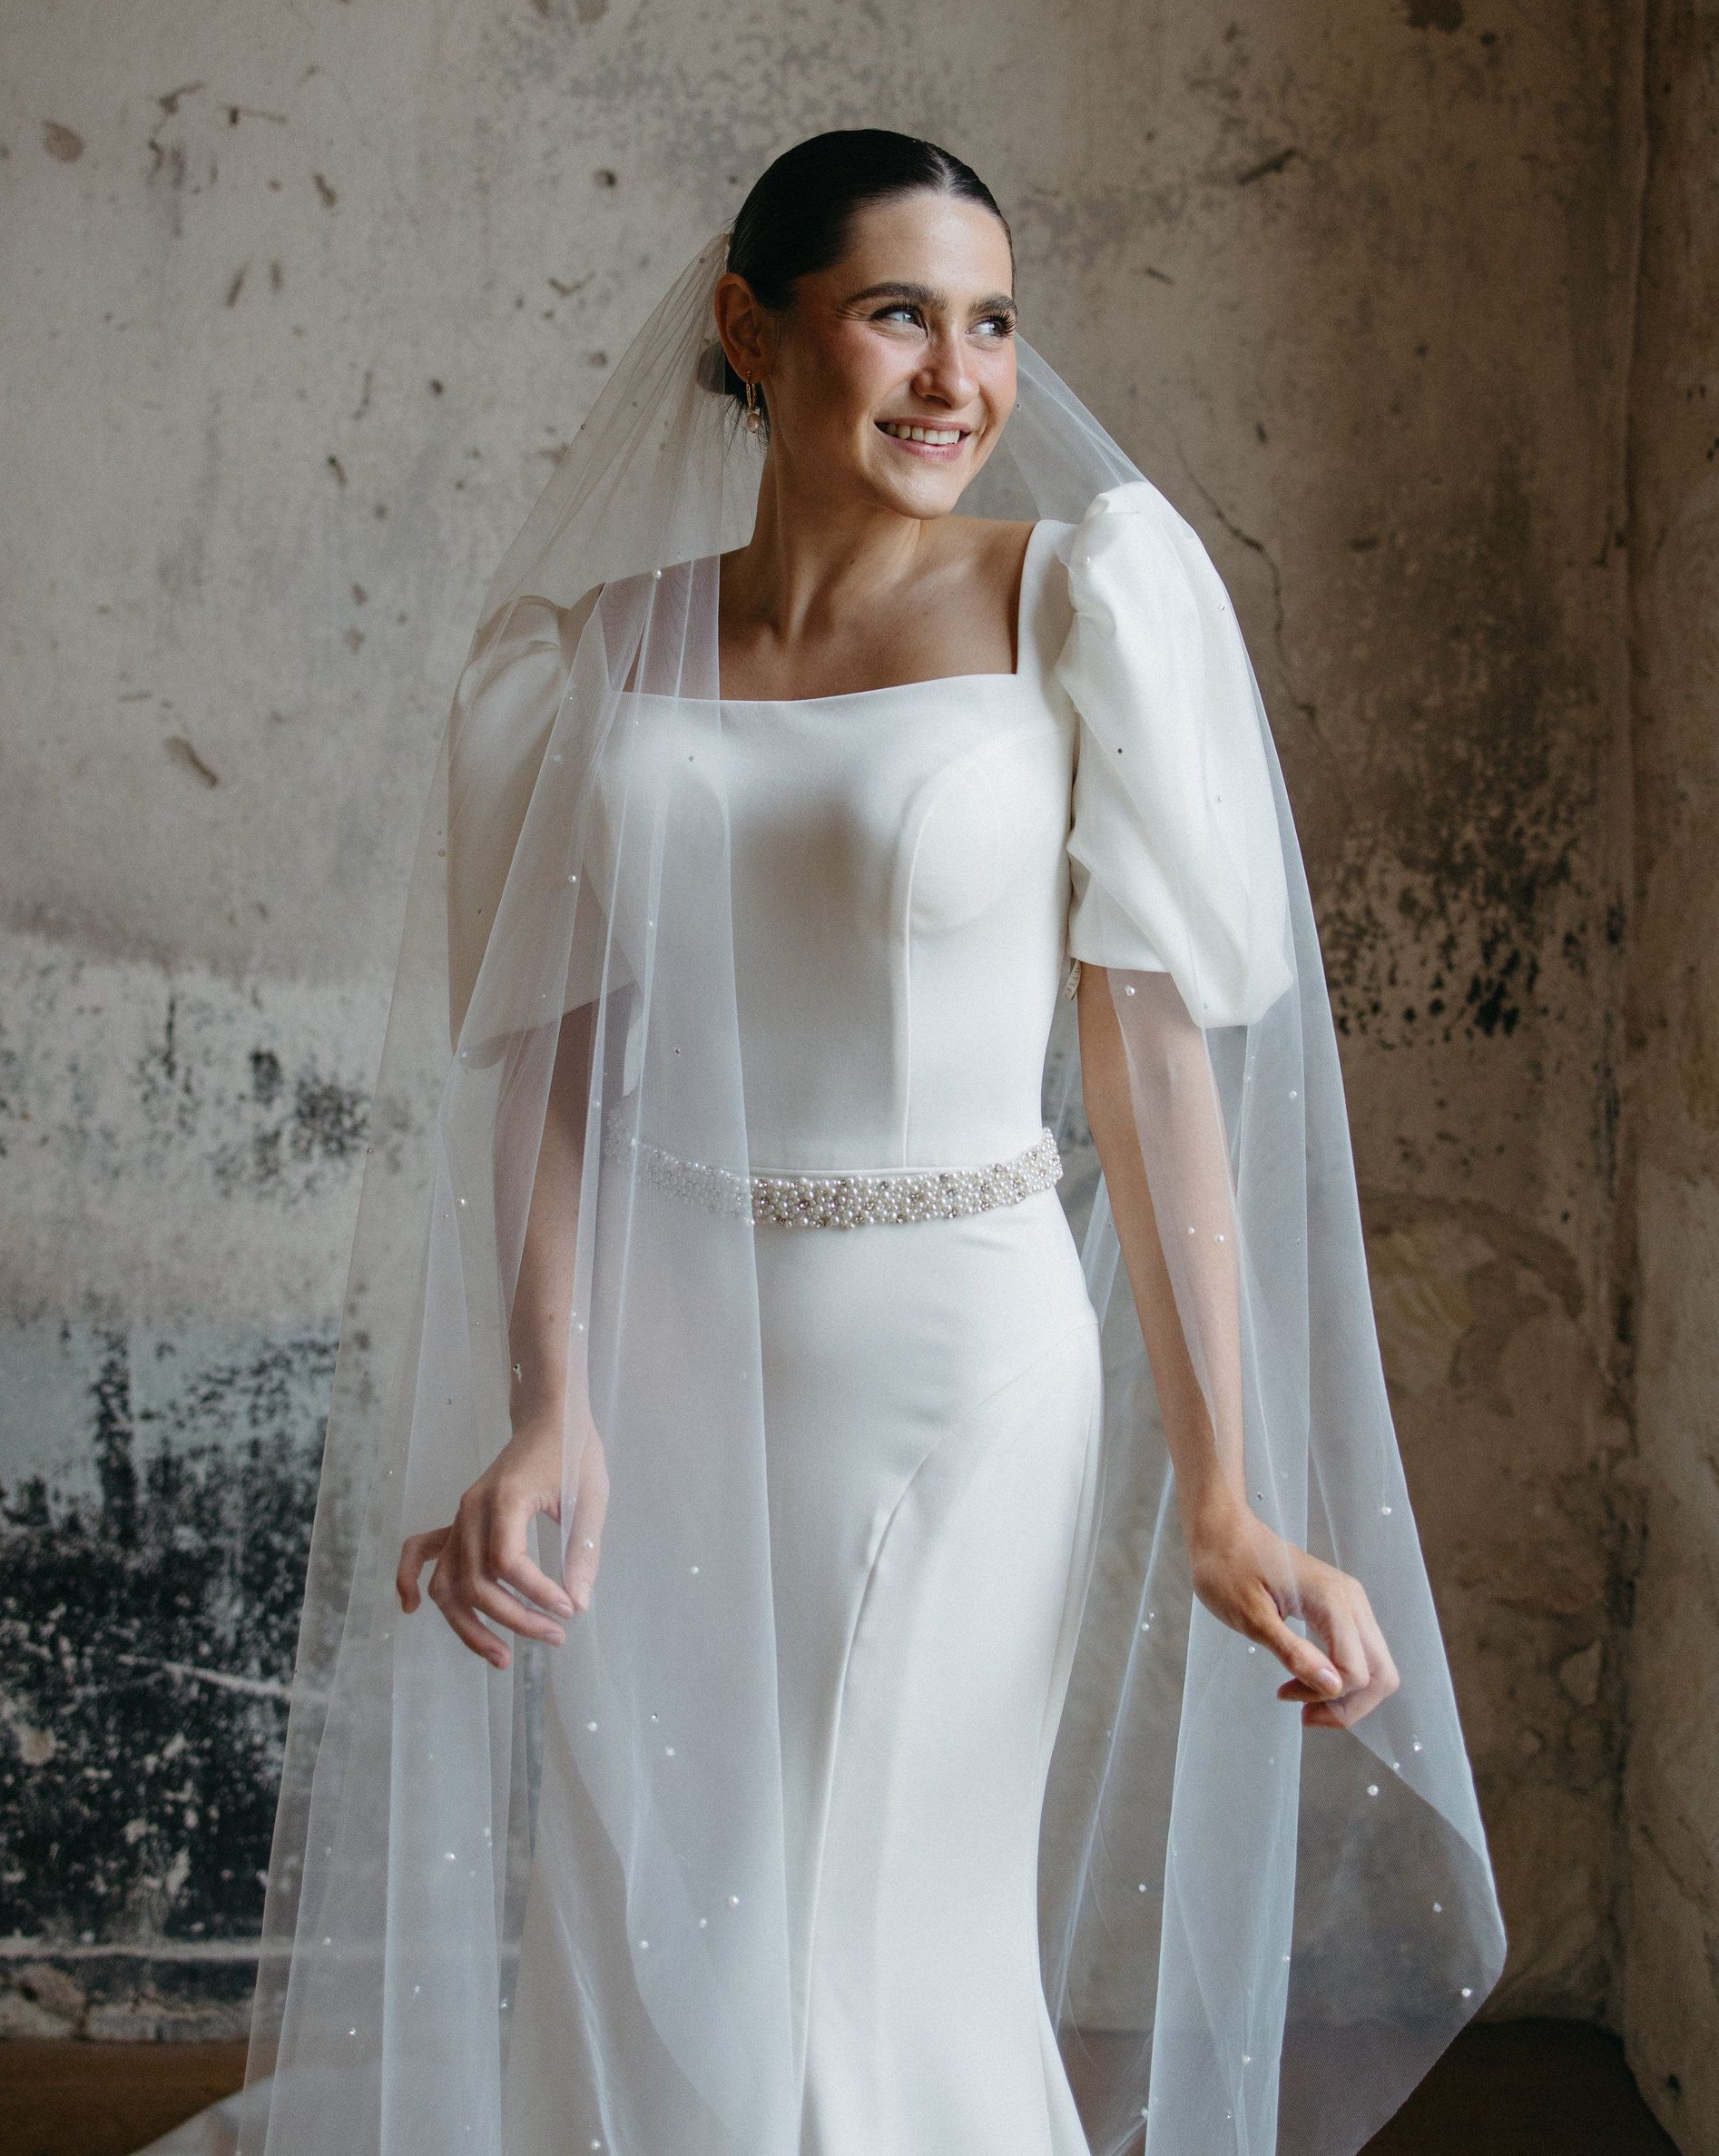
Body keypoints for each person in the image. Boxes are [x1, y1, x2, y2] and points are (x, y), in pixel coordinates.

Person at [241, 131, 1504, 2156]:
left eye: (993, 324)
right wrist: (547, 1409)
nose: (958, 378)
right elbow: (551, 1062)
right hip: (661, 1368)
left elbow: (1151, 1067)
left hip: (958, 1370)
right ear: (750, 329)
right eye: (900, 313)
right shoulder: (595, 655)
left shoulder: (1077, 605)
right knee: (661, 1920)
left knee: (876, 1922)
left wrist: (1229, 1493)